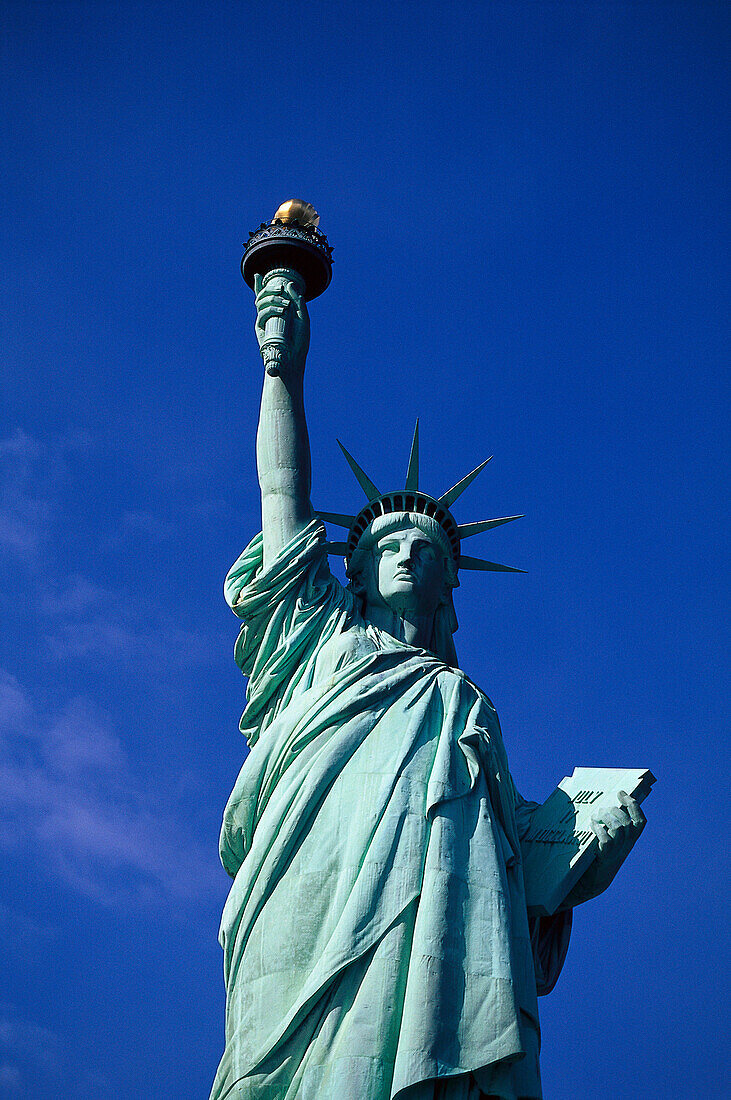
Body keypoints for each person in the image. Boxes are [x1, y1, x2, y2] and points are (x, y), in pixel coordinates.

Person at [210, 274, 646, 1100]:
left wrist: (586, 849)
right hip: (313, 882)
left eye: (425, 547)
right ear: (357, 575)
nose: (406, 554)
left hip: (445, 907)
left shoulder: (463, 702)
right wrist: (281, 371)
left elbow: (517, 852)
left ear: (449, 582)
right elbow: (281, 494)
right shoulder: (319, 641)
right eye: (385, 545)